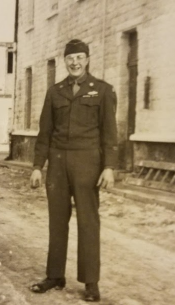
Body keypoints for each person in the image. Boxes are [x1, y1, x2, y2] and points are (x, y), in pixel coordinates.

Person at [30, 39, 118, 302]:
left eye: (80, 57)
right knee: (57, 221)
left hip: (88, 162)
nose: (75, 62)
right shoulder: (54, 91)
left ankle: (91, 282)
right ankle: (54, 275)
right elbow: (44, 132)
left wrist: (109, 167)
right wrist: (37, 166)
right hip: (57, 163)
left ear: (87, 59)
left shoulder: (102, 90)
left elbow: (110, 133)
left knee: (88, 223)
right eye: (70, 58)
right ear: (65, 61)